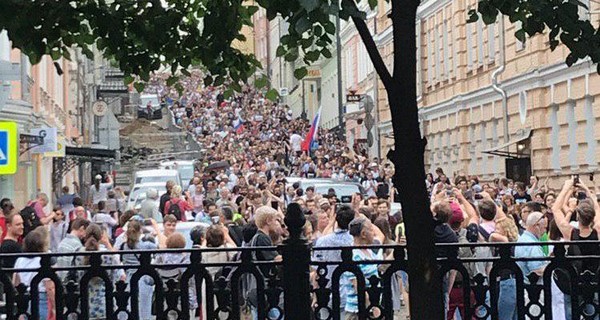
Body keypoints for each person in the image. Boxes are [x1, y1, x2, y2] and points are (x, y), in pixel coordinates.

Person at [341, 216, 383, 319]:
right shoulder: (354, 256)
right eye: (371, 230)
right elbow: (358, 287)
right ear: (363, 234)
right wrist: (373, 309)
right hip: (358, 311)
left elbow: (379, 266)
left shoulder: (368, 251)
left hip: (372, 305)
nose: (373, 233)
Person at [118, 220, 158, 320]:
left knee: (129, 306)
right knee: (144, 309)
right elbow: (159, 249)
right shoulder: (146, 245)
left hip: (128, 279)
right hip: (142, 279)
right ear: (140, 231)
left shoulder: (123, 246)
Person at [13, 228, 55, 320]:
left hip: (25, 297)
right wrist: (55, 307)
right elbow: (50, 287)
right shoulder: (43, 261)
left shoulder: (20, 260)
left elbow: (15, 282)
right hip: (41, 297)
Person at [55, 217, 90, 282]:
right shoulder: (77, 245)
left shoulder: (62, 242)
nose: (85, 236)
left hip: (60, 279)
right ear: (82, 228)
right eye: (86, 232)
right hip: (70, 280)